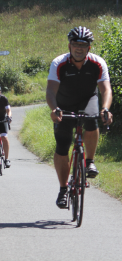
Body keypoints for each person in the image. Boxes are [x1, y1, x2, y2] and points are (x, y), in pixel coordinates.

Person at [46, 26, 113, 209]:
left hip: (87, 100)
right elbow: (51, 91)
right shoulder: (59, 62)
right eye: (76, 44)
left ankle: (89, 162)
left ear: (89, 48)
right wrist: (55, 109)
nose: (79, 48)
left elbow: (105, 89)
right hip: (64, 104)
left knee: (92, 120)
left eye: (83, 45)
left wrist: (105, 109)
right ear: (70, 45)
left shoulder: (98, 63)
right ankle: (63, 189)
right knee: (62, 146)